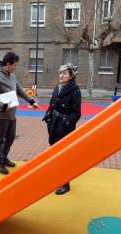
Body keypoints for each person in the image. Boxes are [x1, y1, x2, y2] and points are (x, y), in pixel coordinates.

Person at [0, 52, 39, 175]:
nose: (16, 67)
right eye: (14, 65)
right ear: (8, 64)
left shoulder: (11, 75)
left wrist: (31, 101)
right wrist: (2, 106)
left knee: (10, 137)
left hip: (11, 114)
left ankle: (4, 157)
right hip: (0, 116)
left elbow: (20, 90)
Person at [43, 63, 81, 195]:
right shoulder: (57, 87)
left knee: (63, 156)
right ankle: (56, 178)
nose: (61, 75)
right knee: (54, 152)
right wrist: (48, 114)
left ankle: (65, 183)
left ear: (71, 76)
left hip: (64, 127)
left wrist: (66, 123)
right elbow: (52, 104)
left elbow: (76, 113)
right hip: (54, 124)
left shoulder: (75, 90)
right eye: (60, 73)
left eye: (64, 73)